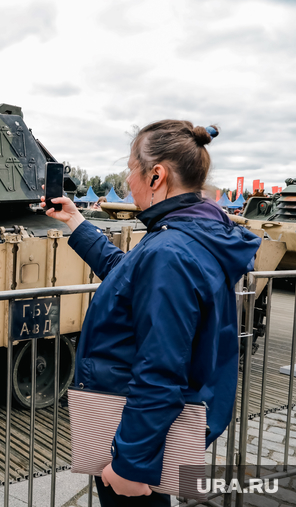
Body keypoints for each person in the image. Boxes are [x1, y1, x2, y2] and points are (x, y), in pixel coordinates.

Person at [42, 120, 260, 506]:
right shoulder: (192, 234)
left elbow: (161, 367)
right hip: (148, 430)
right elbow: (130, 278)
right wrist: (77, 223)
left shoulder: (169, 252)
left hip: (135, 439)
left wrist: (132, 464)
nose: (128, 180)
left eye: (130, 168)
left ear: (156, 175)